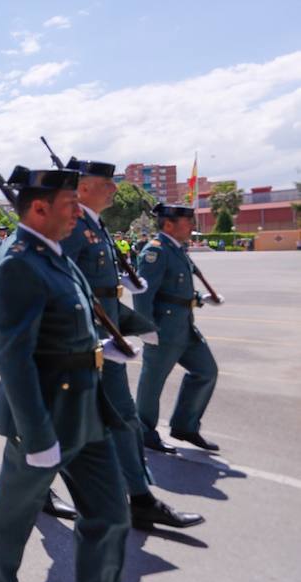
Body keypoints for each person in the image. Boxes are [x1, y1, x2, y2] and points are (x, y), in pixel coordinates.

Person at [0, 165, 130, 582]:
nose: (77, 213)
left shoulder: (54, 250)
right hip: (44, 412)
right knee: (12, 524)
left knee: (110, 516)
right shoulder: (16, 262)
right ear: (40, 208)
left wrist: (105, 343)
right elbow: (14, 358)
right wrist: (37, 433)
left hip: (85, 407)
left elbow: (77, 310)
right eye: (70, 205)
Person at [61, 158, 204, 530]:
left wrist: (129, 316)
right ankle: (35, 487)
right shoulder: (72, 227)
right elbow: (65, 291)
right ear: (83, 187)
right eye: (105, 183)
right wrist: (89, 341)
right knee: (63, 423)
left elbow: (101, 290)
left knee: (122, 418)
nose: (113, 189)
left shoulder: (95, 225)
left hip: (106, 337)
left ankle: (139, 497)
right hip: (83, 341)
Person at [135, 203, 222, 453]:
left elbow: (174, 289)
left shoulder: (178, 250)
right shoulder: (156, 251)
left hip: (185, 328)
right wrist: (146, 328)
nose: (192, 226)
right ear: (169, 224)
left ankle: (185, 426)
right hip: (163, 330)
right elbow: (143, 294)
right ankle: (144, 431)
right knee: (153, 383)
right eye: (188, 221)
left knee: (206, 372)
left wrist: (200, 298)